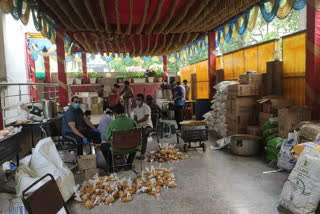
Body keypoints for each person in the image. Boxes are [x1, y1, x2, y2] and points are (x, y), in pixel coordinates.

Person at [100, 104, 137, 172]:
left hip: (118, 148)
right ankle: (129, 164)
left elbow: (107, 139)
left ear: (114, 113)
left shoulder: (113, 123)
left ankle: (111, 167)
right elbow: (136, 135)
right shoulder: (132, 121)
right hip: (132, 147)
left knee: (103, 146)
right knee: (135, 143)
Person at [133, 94, 153, 160]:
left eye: (139, 99)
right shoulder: (135, 109)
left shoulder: (146, 107)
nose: (137, 101)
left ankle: (142, 154)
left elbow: (146, 118)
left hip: (147, 126)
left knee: (144, 134)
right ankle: (132, 152)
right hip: (139, 126)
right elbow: (135, 118)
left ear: (143, 100)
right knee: (132, 135)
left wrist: (138, 121)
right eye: (137, 99)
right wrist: (136, 122)